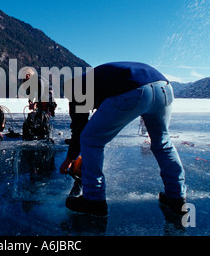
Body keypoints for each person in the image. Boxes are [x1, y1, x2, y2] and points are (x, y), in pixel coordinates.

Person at [59, 62, 187, 216]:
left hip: (135, 89)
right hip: (164, 87)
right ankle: (176, 196)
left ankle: (94, 199)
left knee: (90, 139)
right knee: (162, 142)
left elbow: (80, 128)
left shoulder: (76, 89)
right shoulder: (96, 79)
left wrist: (70, 158)